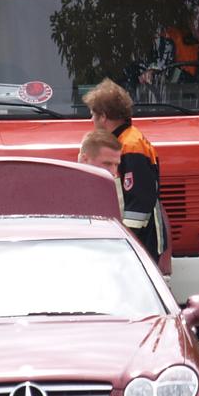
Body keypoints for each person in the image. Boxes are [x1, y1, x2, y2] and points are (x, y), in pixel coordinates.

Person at [83, 79, 166, 261]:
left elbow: (139, 201)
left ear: (103, 116)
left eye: (93, 115)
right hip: (134, 242)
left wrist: (125, 237)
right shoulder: (125, 140)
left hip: (139, 244)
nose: (91, 120)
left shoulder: (130, 145)